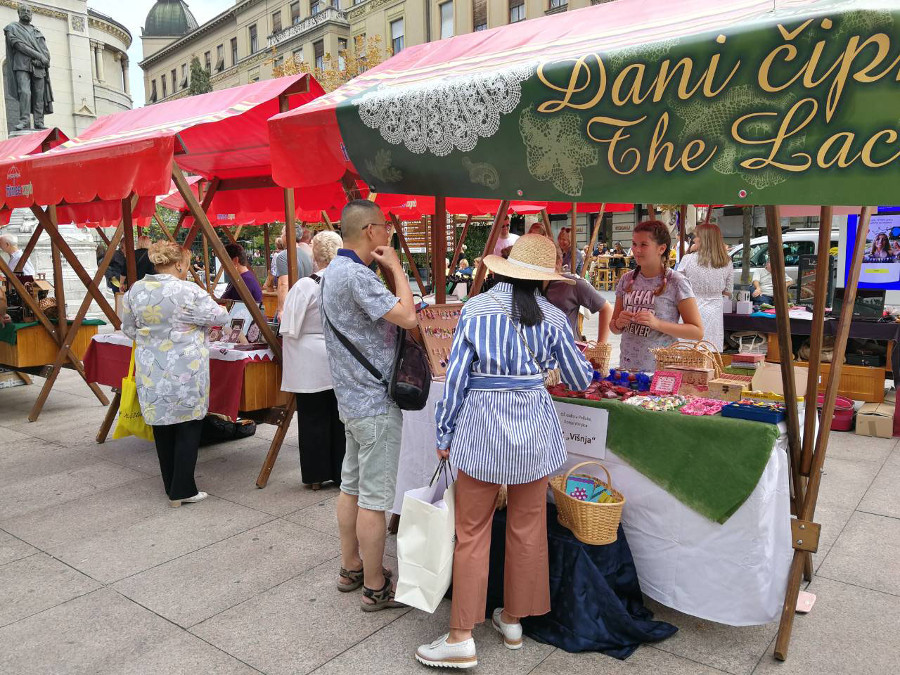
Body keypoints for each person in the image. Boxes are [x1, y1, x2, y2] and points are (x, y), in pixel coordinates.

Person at [416, 234, 593, 669]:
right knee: (527, 527)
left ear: (502, 270)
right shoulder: (554, 317)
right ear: (544, 281)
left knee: (472, 531)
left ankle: (461, 637)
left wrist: (444, 433)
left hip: (483, 430)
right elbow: (580, 377)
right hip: (535, 430)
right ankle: (513, 620)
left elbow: (455, 377)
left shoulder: (475, 309)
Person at [320, 200, 418, 610]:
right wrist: (396, 268)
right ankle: (375, 585)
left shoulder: (331, 272)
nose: (390, 233)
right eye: (387, 227)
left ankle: (351, 566)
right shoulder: (358, 276)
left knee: (351, 488)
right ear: (369, 231)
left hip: (351, 397)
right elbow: (409, 318)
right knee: (374, 500)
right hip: (374, 401)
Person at [122, 241, 230, 507]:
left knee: (162, 427)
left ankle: (170, 484)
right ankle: (182, 489)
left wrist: (154, 340)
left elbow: (128, 328)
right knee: (188, 425)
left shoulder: (136, 291)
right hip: (185, 367)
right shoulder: (188, 290)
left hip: (151, 369)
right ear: (179, 263)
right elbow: (221, 317)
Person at [281, 231, 345, 490]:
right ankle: (342, 473)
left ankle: (316, 475)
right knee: (340, 419)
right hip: (339, 356)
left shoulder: (306, 285)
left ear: (315, 255)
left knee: (312, 418)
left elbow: (289, 325)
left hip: (308, 358)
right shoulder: (345, 283)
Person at [610, 220, 703, 372]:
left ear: (661, 248)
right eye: (634, 244)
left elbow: (697, 331)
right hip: (628, 369)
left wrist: (657, 324)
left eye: (643, 245)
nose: (636, 250)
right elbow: (613, 328)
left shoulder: (677, 282)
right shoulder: (626, 280)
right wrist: (619, 323)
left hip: (662, 371)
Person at [677, 223, 734, 351]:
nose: (694, 239)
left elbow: (677, 285)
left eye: (697, 236)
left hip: (690, 306)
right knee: (710, 349)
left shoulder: (687, 259)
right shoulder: (727, 261)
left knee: (687, 349)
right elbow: (728, 291)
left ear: (703, 239)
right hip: (714, 309)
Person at [546, 243, 612, 341]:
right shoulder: (528, 285)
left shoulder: (572, 283)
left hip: (569, 348)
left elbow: (606, 308)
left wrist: (601, 349)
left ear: (559, 262)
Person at [4, 5, 52, 131]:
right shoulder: (12, 28)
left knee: (39, 95)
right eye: (23, 11)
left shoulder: (37, 32)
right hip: (21, 64)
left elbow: (46, 53)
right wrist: (39, 56)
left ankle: (39, 122)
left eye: (28, 11)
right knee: (24, 92)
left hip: (38, 67)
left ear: (32, 14)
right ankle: (24, 121)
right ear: (18, 13)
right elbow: (19, 45)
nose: (26, 13)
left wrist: (42, 60)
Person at [276, 227, 314, 318]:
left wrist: (281, 310)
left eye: (282, 234)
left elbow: (284, 284)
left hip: (290, 306)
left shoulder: (283, 256)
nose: (281, 237)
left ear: (286, 235)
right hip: (305, 305)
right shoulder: (307, 256)